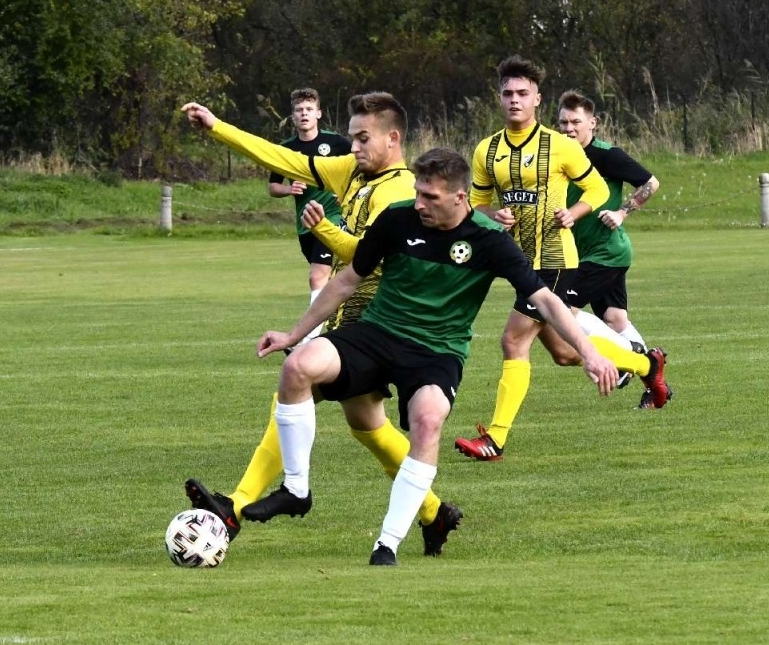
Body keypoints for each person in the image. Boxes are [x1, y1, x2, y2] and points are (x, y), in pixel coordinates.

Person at [247, 147, 617, 566]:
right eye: (419, 192)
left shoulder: (489, 240)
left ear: (460, 198)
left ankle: (386, 543)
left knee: (427, 420)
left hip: (437, 352)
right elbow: (347, 281)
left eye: (431, 197)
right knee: (298, 367)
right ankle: (296, 490)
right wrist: (294, 334)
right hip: (378, 332)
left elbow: (545, 301)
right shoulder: (397, 219)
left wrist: (589, 353)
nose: (419, 203)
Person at [178, 94, 464, 556]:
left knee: (298, 385)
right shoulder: (350, 171)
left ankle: (235, 508)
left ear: (393, 139)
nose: (352, 146)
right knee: (365, 423)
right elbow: (282, 157)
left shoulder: (400, 191)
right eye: (351, 136)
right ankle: (433, 514)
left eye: (362, 138)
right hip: (353, 314)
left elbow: (368, 259)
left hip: (379, 320)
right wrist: (217, 126)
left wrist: (325, 232)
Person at [453, 56, 669, 462]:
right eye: (507, 93)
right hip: (519, 261)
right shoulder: (487, 150)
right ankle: (644, 364)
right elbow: (476, 203)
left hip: (555, 258)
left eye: (522, 93)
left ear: (536, 98)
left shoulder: (562, 146)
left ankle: (495, 438)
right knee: (566, 351)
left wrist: (575, 213)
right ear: (499, 98)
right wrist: (492, 214)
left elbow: (596, 191)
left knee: (513, 339)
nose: (514, 100)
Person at [555, 90, 668, 407]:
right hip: (585, 252)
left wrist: (622, 212)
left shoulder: (606, 155)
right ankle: (654, 382)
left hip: (606, 253)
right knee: (616, 320)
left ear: (593, 122)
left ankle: (630, 359)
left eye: (576, 121)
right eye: (563, 122)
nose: (568, 128)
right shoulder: (558, 157)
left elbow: (651, 183)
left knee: (563, 310)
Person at [269, 88, 354, 305]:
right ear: (293, 116)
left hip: (332, 218)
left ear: (319, 113)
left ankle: (310, 335)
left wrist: (346, 192)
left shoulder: (337, 143)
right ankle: (342, 323)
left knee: (317, 276)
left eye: (309, 109)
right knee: (330, 278)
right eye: (299, 110)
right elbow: (273, 186)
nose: (304, 113)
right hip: (305, 223)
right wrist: (289, 190)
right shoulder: (286, 149)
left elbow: (359, 169)